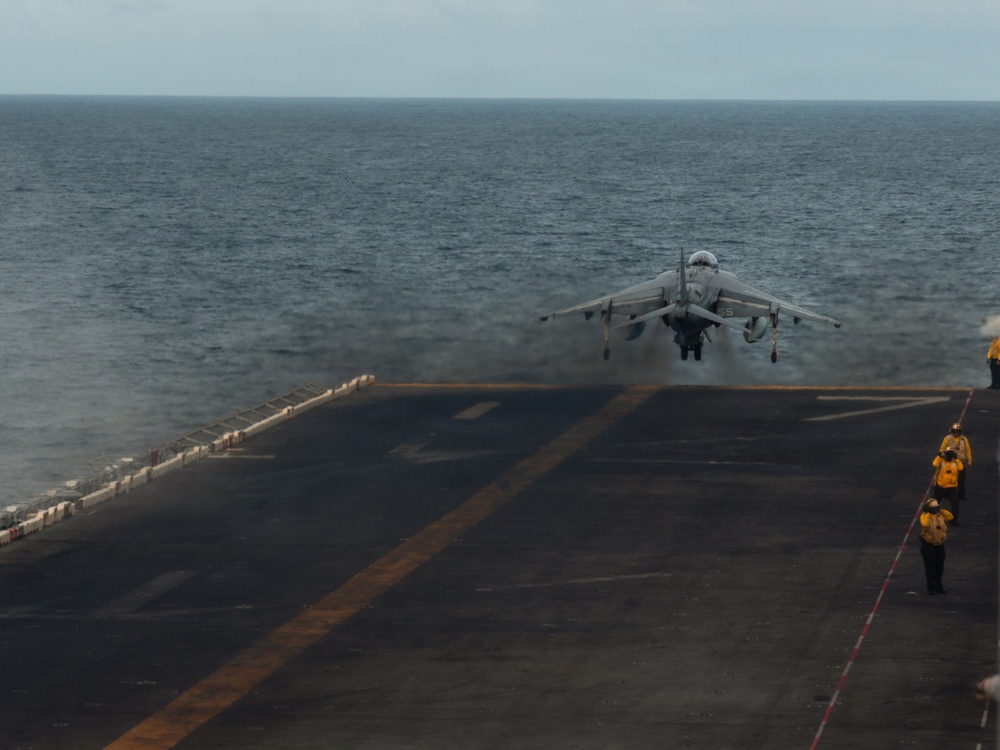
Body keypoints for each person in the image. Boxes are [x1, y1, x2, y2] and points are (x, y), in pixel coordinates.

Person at [919, 499, 953, 595]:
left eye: (936, 508)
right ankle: (931, 587)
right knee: (930, 565)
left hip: (939, 543)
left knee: (940, 566)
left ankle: (939, 585)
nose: (935, 510)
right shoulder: (925, 516)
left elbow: (950, 517)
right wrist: (927, 513)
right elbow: (925, 524)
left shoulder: (940, 515)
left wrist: (941, 510)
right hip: (928, 543)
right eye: (933, 508)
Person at [939, 423, 971, 506]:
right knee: (948, 478)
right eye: (955, 431)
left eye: (958, 431)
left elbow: (967, 450)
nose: (956, 433)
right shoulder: (947, 439)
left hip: (961, 461)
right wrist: (941, 457)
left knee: (961, 479)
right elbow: (942, 449)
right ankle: (947, 494)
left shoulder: (964, 439)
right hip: (950, 462)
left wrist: (969, 460)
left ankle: (961, 495)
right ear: (952, 431)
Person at [932, 448, 964, 525]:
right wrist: (939, 456)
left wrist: (956, 459)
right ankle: (932, 520)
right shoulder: (941, 461)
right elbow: (934, 464)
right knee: (934, 504)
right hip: (940, 487)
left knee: (955, 504)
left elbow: (961, 468)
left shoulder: (955, 462)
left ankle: (953, 521)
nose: (949, 457)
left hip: (951, 487)